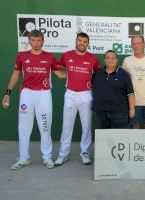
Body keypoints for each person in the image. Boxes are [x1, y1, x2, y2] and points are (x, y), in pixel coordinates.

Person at [1, 30, 66, 170]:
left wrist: (77, 72)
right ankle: (24, 157)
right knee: (24, 127)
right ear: (29, 41)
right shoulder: (22, 56)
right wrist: (7, 93)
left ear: (43, 41)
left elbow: (60, 75)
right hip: (27, 94)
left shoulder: (49, 57)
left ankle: (47, 157)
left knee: (44, 126)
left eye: (38, 40)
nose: (36, 43)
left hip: (44, 94)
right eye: (33, 40)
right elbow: (15, 75)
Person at [54, 32, 100, 166]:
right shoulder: (67, 55)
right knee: (66, 126)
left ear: (88, 43)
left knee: (86, 126)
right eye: (80, 41)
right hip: (70, 95)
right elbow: (55, 67)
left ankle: (85, 152)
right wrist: (63, 75)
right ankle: (63, 154)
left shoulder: (93, 58)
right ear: (76, 41)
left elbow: (98, 74)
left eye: (85, 41)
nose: (82, 43)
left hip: (86, 95)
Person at [122, 36, 145, 129]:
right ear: (131, 46)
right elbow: (124, 81)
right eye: (134, 44)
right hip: (133, 103)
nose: (136, 46)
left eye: (139, 43)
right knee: (134, 127)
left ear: (144, 45)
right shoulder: (127, 60)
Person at [92, 50, 135, 128]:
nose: (110, 60)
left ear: (117, 60)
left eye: (113, 58)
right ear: (104, 60)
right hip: (101, 113)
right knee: (104, 136)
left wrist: (132, 109)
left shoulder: (124, 74)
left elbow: (130, 93)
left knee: (118, 137)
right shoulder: (97, 74)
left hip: (119, 113)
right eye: (108, 58)